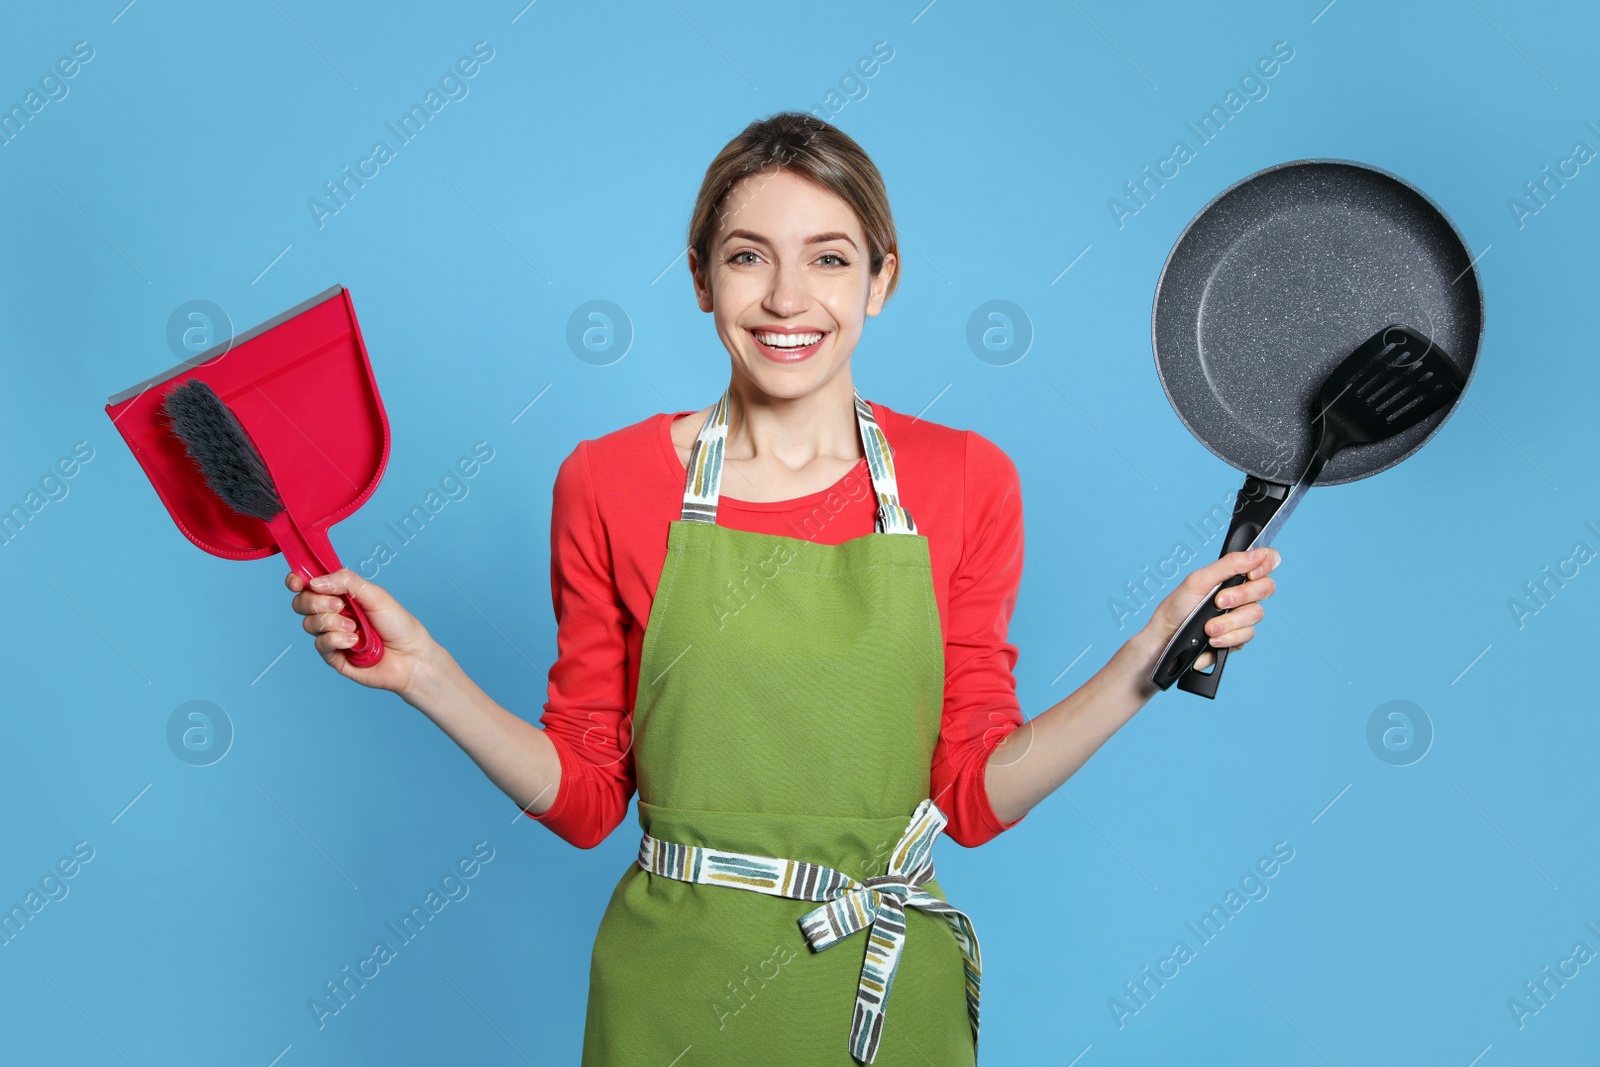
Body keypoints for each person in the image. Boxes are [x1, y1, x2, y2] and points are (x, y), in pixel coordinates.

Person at [286, 112, 1281, 1065]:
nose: (787, 298)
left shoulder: (968, 481)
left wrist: (1145, 659)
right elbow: (589, 796)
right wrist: (427, 673)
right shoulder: (608, 481)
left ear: (882, 280)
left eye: (830, 257)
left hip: (881, 1000)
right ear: (701, 280)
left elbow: (972, 795)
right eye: (749, 255)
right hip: (668, 997)